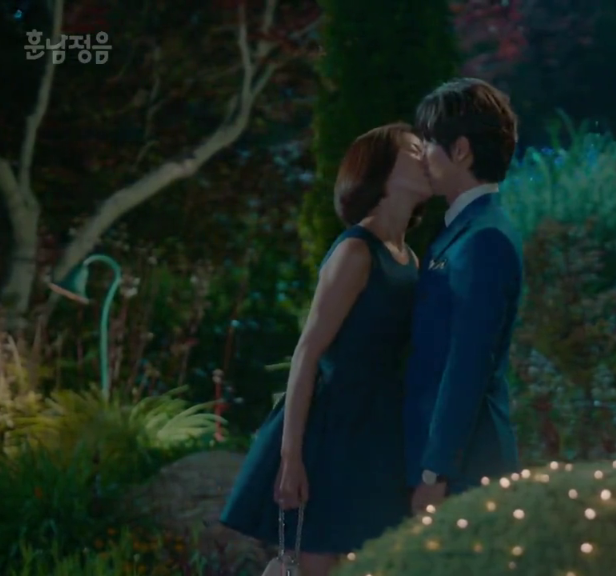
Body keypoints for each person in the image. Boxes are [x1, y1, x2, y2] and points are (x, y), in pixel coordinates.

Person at [220, 123, 431, 576]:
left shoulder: (409, 258)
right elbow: (307, 353)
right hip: (333, 430)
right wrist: (290, 458)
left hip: (379, 430)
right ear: (380, 170)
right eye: (414, 150)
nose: (426, 156)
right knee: (318, 561)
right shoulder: (356, 251)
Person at [404, 78, 524, 512]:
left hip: (466, 469)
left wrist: (435, 472)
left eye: (428, 142)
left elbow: (467, 365)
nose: (421, 154)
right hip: (450, 462)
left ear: (460, 150)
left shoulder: (484, 238)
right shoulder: (461, 229)